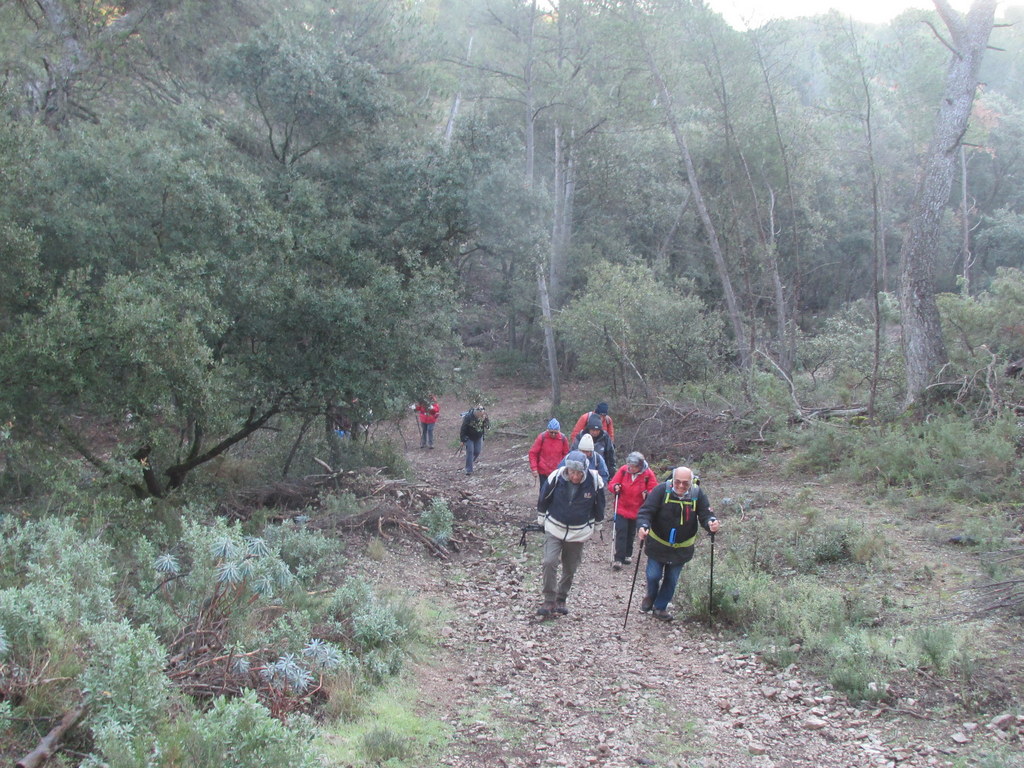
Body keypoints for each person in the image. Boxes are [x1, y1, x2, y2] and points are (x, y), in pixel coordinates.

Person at [636, 466, 719, 621]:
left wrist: (711, 524)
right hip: (658, 544)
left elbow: (706, 514)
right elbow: (646, 511)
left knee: (671, 578)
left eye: (685, 483)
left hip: (682, 547)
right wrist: (643, 525)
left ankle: (660, 608)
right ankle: (650, 596)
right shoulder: (661, 491)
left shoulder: (697, 494)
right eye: (678, 482)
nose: (681, 486)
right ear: (672, 480)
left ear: (691, 482)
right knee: (653, 575)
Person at [536, 450, 606, 616]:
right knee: (549, 561)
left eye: (578, 473)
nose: (575, 476)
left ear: (584, 471)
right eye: (572, 472)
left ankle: (562, 598)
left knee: (570, 567)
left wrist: (597, 524)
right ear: (567, 469)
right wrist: (541, 517)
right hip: (554, 526)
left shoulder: (595, 481)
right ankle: (549, 599)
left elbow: (600, 504)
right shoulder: (557, 476)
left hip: (578, 532)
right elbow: (544, 496)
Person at [608, 451, 658, 571]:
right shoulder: (624, 470)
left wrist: (648, 494)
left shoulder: (648, 474)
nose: (631, 468)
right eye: (630, 465)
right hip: (621, 507)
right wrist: (615, 487)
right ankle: (618, 559)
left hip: (637, 509)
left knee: (631, 533)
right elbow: (612, 484)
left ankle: (627, 554)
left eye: (634, 466)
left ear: (640, 465)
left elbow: (654, 490)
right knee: (621, 532)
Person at [528, 418, 570, 491]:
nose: (553, 434)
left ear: (559, 431)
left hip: (557, 471)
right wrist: (534, 468)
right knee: (544, 491)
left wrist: (564, 467)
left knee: (557, 492)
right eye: (551, 432)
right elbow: (533, 453)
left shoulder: (563, 439)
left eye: (555, 433)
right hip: (543, 471)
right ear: (547, 430)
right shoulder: (542, 437)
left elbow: (566, 455)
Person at [459, 405, 489, 475]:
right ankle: (469, 470)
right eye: (479, 413)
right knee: (470, 451)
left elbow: (487, 426)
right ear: (476, 412)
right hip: (469, 437)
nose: (480, 415)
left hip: (478, 436)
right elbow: (463, 428)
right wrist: (462, 439)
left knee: (477, 452)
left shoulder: (484, 416)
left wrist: (485, 420)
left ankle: (470, 463)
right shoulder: (468, 417)